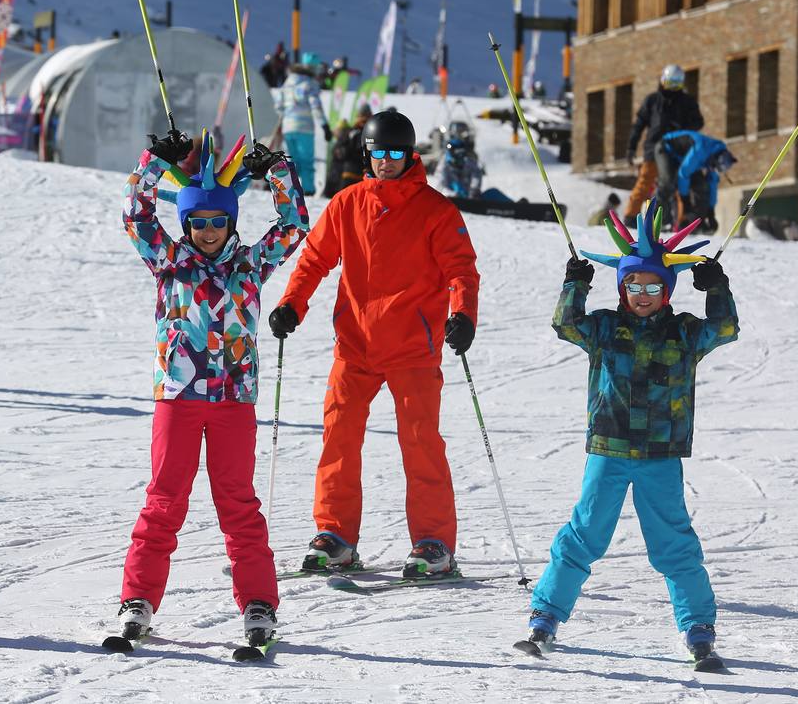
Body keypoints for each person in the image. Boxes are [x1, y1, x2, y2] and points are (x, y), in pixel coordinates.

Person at [521, 199, 738, 669]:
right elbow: (565, 324)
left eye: (653, 286)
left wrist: (716, 288)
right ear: (622, 288)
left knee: (673, 542)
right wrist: (575, 285)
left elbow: (724, 329)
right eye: (633, 285)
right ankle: (546, 616)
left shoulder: (684, 333)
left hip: (660, 454)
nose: (642, 294)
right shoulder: (604, 327)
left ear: (667, 290)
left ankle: (698, 628)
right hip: (610, 448)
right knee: (584, 535)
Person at [114, 127, 308, 650]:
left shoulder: (251, 264)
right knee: (163, 501)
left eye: (217, 221)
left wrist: (277, 171)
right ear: (186, 224)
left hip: (232, 401)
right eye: (197, 222)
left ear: (230, 221)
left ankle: (259, 603)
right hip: (177, 398)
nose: (207, 231)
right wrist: (154, 161)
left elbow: (294, 225)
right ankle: (138, 599)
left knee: (238, 504)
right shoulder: (168, 261)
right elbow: (136, 215)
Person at [267, 110, 480, 578]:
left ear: (410, 155)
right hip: (355, 345)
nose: (386, 161)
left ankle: (434, 543)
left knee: (421, 443)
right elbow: (314, 260)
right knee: (338, 438)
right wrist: (291, 305)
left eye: (396, 153)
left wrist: (462, 314)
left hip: (412, 347)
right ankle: (335, 535)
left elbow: (461, 269)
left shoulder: (436, 210)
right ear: (367, 154)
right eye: (378, 152)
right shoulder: (347, 204)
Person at [624, 65, 703, 224]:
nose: (672, 88)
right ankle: (631, 216)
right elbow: (638, 125)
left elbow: (698, 122)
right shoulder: (653, 100)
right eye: (669, 83)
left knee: (680, 183)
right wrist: (631, 147)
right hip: (653, 149)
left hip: (677, 151)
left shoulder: (687, 102)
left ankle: (682, 221)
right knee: (645, 181)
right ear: (662, 81)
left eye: (676, 84)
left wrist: (682, 130)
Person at [275, 53, 333, 195]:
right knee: (307, 161)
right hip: (305, 128)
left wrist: (284, 119)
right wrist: (324, 125)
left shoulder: (288, 82)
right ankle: (308, 189)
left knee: (293, 161)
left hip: (288, 127)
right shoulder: (310, 83)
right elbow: (315, 106)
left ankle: (293, 188)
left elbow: (279, 106)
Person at [660, 130, 736, 233]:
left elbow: (712, 183)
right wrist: (685, 199)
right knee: (669, 183)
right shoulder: (701, 150)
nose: (714, 169)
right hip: (666, 148)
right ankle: (665, 221)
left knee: (702, 186)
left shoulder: (713, 159)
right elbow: (683, 174)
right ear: (715, 160)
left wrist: (711, 211)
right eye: (715, 167)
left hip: (684, 160)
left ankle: (697, 222)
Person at [325, 102, 373, 199]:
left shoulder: (351, 132)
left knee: (346, 200)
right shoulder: (372, 132)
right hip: (364, 175)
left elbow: (340, 153)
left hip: (349, 174)